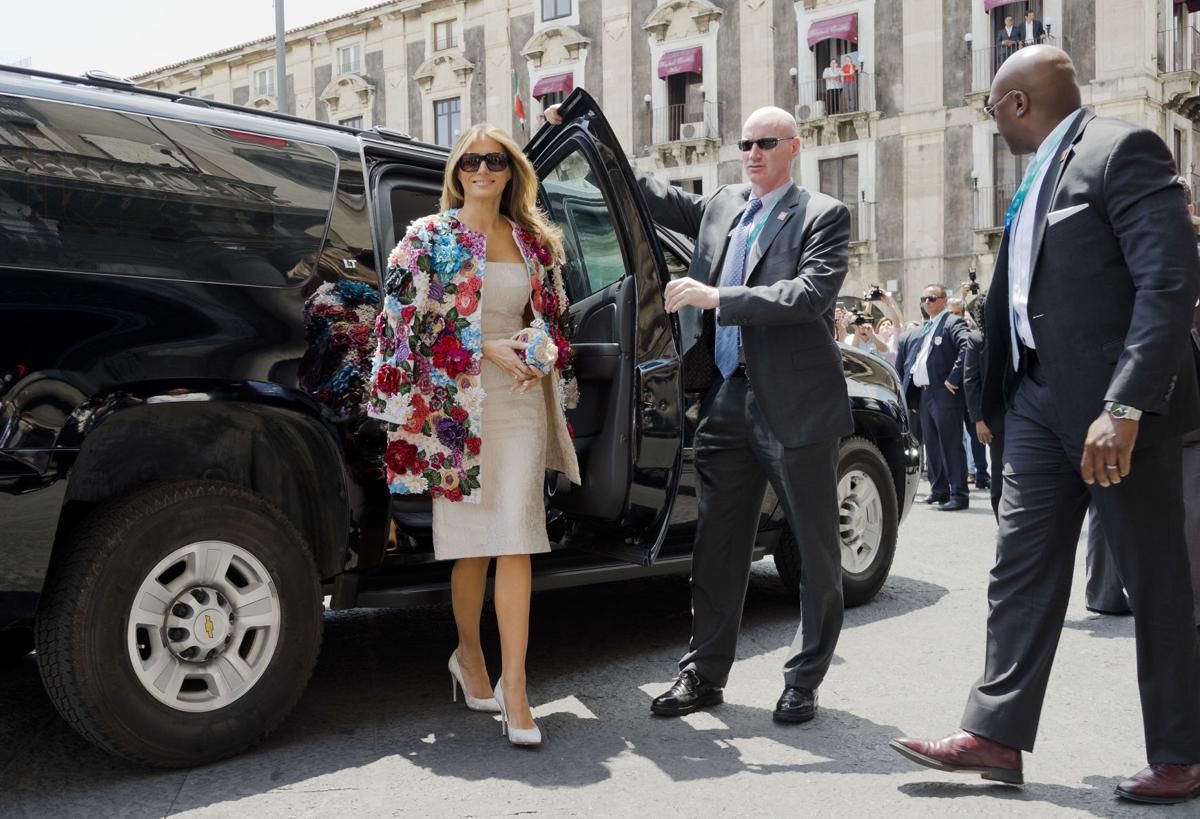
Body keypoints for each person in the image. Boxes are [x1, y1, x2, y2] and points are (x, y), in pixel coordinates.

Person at [891, 46, 1200, 804]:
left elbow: (1170, 278)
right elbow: (1020, 296)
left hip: (1114, 411)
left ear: (1019, 103)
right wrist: (995, 403)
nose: (992, 123)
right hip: (1034, 401)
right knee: (1019, 568)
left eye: (992, 108)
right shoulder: (1032, 181)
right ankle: (994, 732)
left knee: (1153, 576)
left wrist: (1125, 404)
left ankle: (1182, 751)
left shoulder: (1121, 149)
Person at [547, 102, 852, 724]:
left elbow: (810, 294)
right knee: (718, 545)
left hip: (793, 406)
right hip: (726, 399)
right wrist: (572, 136)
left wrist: (719, 297)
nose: (753, 152)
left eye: (767, 142)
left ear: (794, 147)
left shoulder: (823, 215)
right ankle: (704, 675)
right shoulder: (721, 206)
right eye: (746, 143)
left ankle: (804, 679)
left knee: (816, 551)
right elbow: (643, 194)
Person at [366, 123, 582, 748]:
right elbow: (398, 327)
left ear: (512, 170)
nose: (481, 170)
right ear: (456, 171)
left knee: (517, 538)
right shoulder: (427, 238)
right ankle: (468, 655)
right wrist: (482, 343)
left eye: (494, 160)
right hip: (453, 414)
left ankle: (516, 686)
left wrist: (541, 348)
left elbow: (557, 327)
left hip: (517, 405)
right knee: (472, 549)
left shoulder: (536, 242)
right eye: (470, 161)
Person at [908, 285, 971, 510]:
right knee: (933, 445)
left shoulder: (952, 321)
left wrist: (954, 378)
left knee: (951, 444)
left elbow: (967, 345)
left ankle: (959, 493)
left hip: (944, 392)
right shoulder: (929, 325)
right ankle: (939, 490)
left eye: (932, 298)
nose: (927, 302)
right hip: (926, 393)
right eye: (923, 298)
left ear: (944, 300)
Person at [962, 293, 1002, 516]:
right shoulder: (977, 339)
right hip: (994, 419)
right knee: (999, 473)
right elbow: (971, 381)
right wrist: (978, 419)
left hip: (1019, 413)